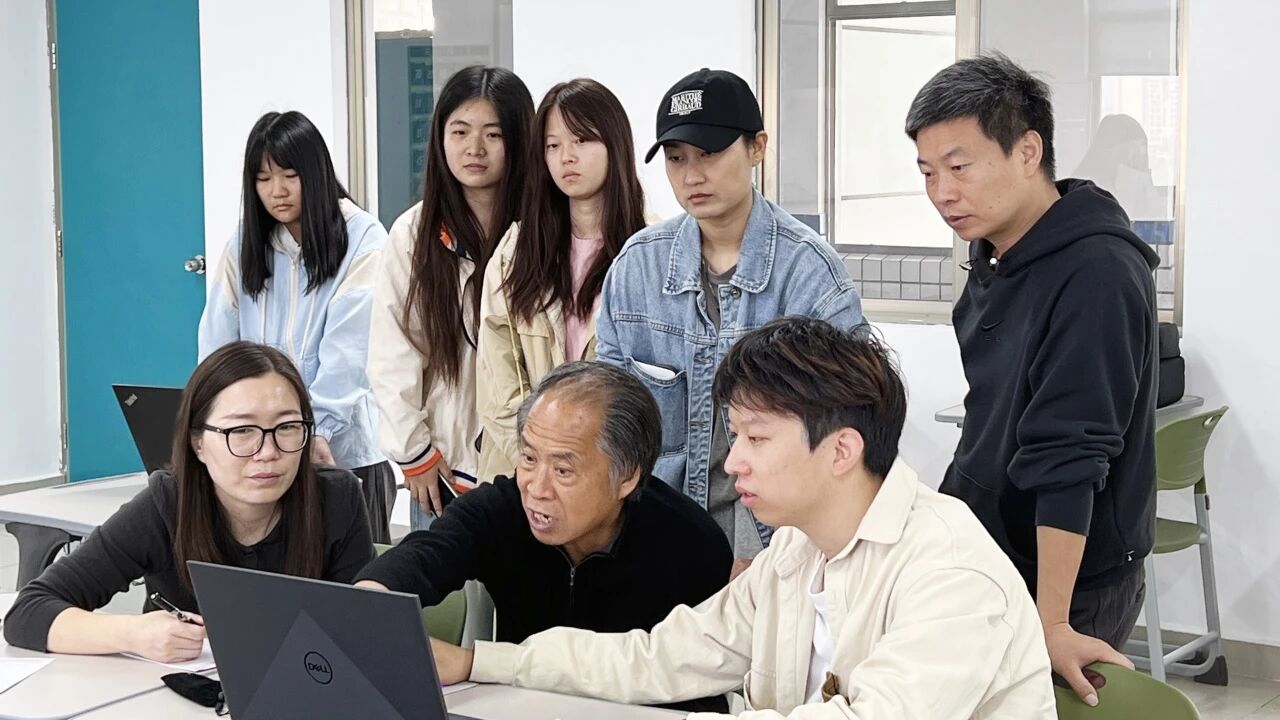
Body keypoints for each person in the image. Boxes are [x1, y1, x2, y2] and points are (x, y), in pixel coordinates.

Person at [428, 318, 1055, 719]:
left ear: (841, 450)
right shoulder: (795, 553)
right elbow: (660, 658)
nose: (734, 462)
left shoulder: (950, 569)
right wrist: (480, 663)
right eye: (735, 436)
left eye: (756, 438)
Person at [905, 53, 1159, 706]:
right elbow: (990, 418)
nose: (942, 193)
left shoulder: (1097, 272)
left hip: (1066, 582)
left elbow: (1069, 456)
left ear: (1027, 151)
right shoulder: (996, 251)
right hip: (991, 554)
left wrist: (1053, 624)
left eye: (959, 167)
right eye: (928, 173)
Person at [595, 68, 863, 573]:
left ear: (757, 148)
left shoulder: (810, 274)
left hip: (776, 550)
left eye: (710, 154)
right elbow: (610, 416)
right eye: (676, 158)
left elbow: (846, 430)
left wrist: (756, 554)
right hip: (655, 541)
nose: (692, 175)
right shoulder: (637, 267)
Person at [3, 342, 375, 661]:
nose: (268, 451)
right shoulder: (168, 503)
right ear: (198, 443)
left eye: (287, 427)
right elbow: (29, 613)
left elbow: (367, 629)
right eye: (241, 430)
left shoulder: (336, 498)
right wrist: (133, 633)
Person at [198, 110, 393, 543]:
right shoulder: (246, 241)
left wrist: (311, 432)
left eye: (290, 175)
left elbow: (348, 357)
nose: (277, 191)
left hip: (341, 455)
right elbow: (216, 345)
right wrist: (211, 424)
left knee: (357, 577)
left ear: (316, 174)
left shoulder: (363, 238)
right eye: (263, 179)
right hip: (259, 455)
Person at [368, 66, 534, 529]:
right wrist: (414, 452)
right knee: (443, 578)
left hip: (530, 471)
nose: (474, 148)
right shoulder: (414, 233)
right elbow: (392, 351)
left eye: (493, 134)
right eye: (460, 131)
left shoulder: (542, 231)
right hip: (443, 473)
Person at [476, 78, 648, 481]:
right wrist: (543, 462)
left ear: (615, 144)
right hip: (521, 473)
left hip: (608, 476)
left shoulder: (650, 250)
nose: (566, 157)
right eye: (553, 146)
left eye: (581, 140)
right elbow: (497, 380)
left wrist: (585, 468)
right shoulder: (517, 250)